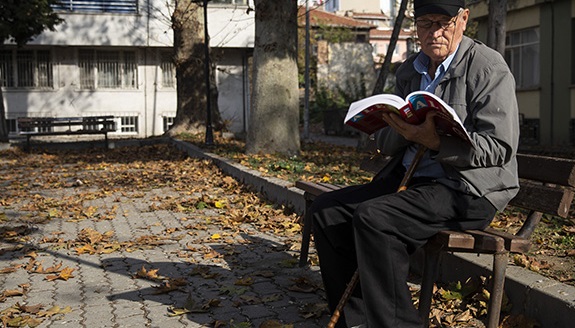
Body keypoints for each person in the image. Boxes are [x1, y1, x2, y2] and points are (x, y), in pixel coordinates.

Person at [309, 0, 520, 327]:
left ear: (463, 20)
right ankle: (358, 319)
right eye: (425, 24)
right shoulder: (410, 71)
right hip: (411, 179)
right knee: (326, 210)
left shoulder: (487, 67)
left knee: (376, 218)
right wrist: (400, 129)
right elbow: (384, 142)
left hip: (466, 188)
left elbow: (499, 148)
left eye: (443, 23)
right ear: (415, 26)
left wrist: (435, 141)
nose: (434, 32)